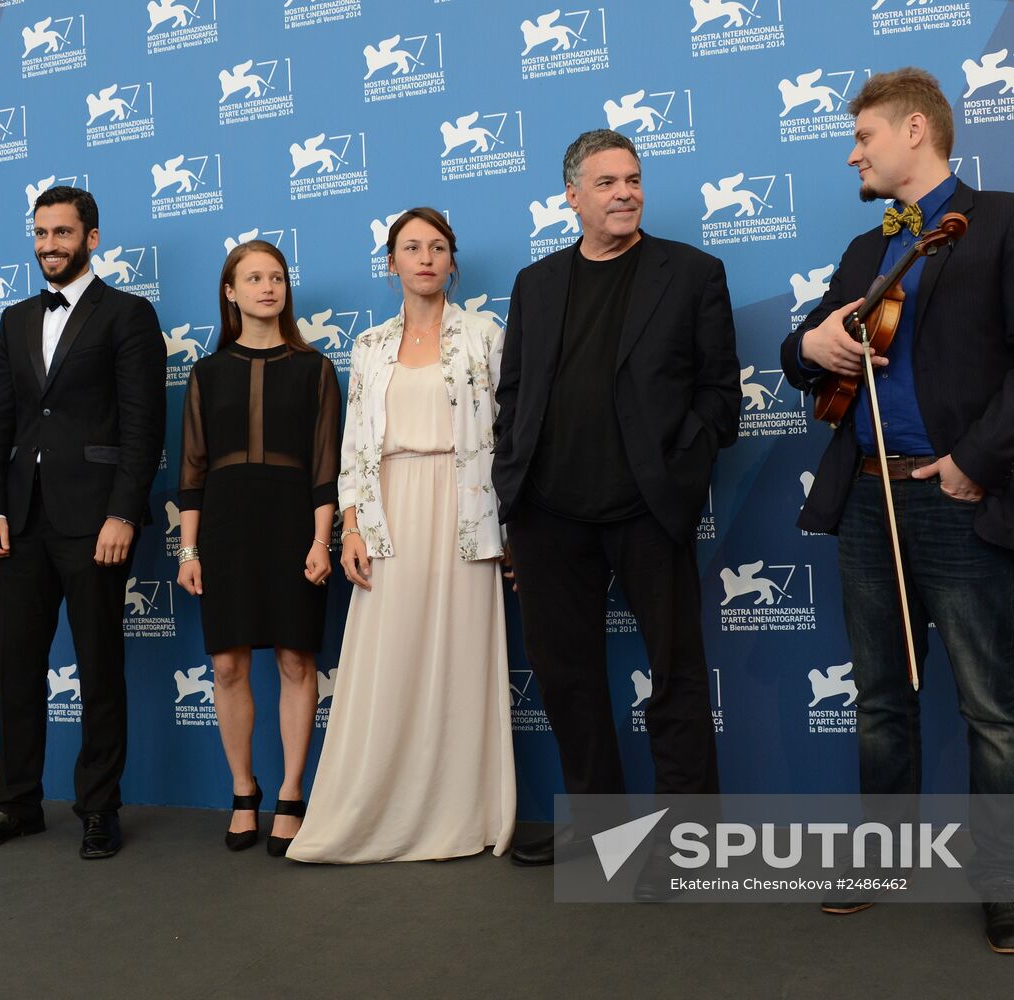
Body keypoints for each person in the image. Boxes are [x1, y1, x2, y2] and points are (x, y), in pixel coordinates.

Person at [781, 68, 1014, 953]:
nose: (853, 152)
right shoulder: (870, 250)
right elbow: (806, 357)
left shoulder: (1011, 219)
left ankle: (1002, 883)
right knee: (879, 699)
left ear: (916, 130)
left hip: (959, 498)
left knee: (991, 708)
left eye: (864, 136)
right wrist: (810, 341)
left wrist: (971, 463)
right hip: (868, 500)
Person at [492, 129, 740, 897]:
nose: (625, 192)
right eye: (605, 183)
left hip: (647, 509)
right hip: (547, 515)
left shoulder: (693, 273)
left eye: (632, 178)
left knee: (675, 674)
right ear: (572, 196)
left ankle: (691, 840)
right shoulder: (536, 284)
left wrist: (677, 474)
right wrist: (512, 486)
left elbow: (719, 395)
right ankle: (601, 837)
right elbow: (514, 394)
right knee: (568, 680)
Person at [287, 208, 515, 864]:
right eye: (411, 248)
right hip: (389, 512)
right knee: (385, 662)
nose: (425, 258)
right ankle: (371, 810)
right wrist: (350, 527)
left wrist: (511, 527)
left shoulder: (483, 336)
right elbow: (355, 445)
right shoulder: (369, 346)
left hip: (466, 512)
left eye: (437, 247)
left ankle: (462, 814)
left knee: (461, 657)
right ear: (391, 263)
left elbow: (509, 436)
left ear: (452, 262)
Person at [0, 186, 165, 859]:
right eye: (41, 233)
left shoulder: (127, 315)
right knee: (15, 666)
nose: (49, 245)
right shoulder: (14, 319)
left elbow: (143, 428)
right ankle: (16, 803)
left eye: (63, 233)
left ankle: (99, 807)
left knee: (99, 667)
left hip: (95, 520)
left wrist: (122, 513)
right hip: (21, 521)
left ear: (91, 238)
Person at [176, 241, 339, 855]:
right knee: (226, 665)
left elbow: (327, 466)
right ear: (230, 291)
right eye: (253, 278)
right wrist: (189, 552)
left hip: (294, 520)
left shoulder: (315, 368)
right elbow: (192, 469)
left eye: (276, 277)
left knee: (298, 661)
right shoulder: (206, 371)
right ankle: (244, 791)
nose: (267, 287)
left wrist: (322, 540)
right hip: (224, 524)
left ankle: (292, 793)